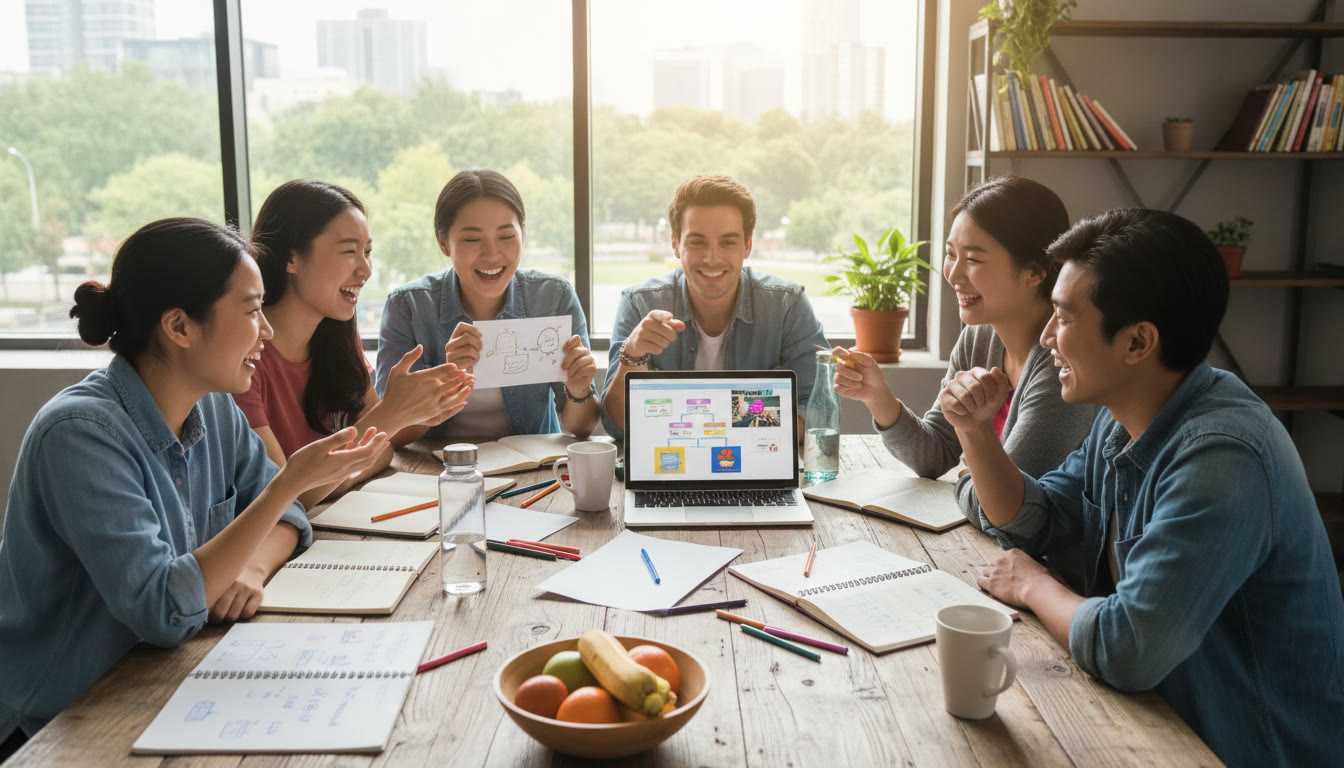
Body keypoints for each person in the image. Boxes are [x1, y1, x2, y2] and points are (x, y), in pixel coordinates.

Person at [951, 208, 1344, 767]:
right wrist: (974, 432)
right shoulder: (1122, 417)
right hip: (1157, 722)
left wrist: (1034, 585)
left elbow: (1128, 648)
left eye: (1063, 317)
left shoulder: (1222, 456)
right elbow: (1036, 518)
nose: (1046, 336)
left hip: (1241, 748)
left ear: (1137, 342)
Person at [0, 218, 389, 755]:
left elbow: (290, 520)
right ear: (180, 327)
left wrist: (250, 568)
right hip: (57, 721)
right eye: (251, 311)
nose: (267, 332)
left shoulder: (214, 405)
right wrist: (286, 485)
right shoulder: (80, 434)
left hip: (163, 682)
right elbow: (163, 609)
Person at [832, 176, 1099, 552]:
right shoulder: (981, 336)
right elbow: (936, 455)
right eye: (950, 254)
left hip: (1052, 565)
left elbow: (1006, 512)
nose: (954, 274)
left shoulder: (1061, 364)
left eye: (973, 259)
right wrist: (879, 398)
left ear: (1035, 271)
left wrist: (968, 474)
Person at [235, 180, 472, 510]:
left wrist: (333, 478)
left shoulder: (336, 341)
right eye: (349, 251)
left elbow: (384, 451)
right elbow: (287, 497)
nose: (366, 270)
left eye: (368, 252)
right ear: (291, 258)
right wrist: (390, 414)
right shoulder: (243, 360)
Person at [376, 169, 599, 440]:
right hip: (435, 463)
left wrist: (578, 390)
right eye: (472, 239)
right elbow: (391, 434)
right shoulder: (408, 306)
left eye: (506, 237)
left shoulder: (553, 297)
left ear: (523, 234)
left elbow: (582, 428)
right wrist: (446, 383)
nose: (492, 255)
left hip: (531, 464)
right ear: (443, 243)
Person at [602, 174, 829, 440]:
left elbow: (819, 409)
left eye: (728, 242)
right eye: (697, 242)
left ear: (748, 245)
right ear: (675, 244)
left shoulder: (787, 305)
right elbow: (617, 426)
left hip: (756, 459)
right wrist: (632, 355)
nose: (712, 258)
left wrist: (721, 421)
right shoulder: (639, 304)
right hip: (670, 460)